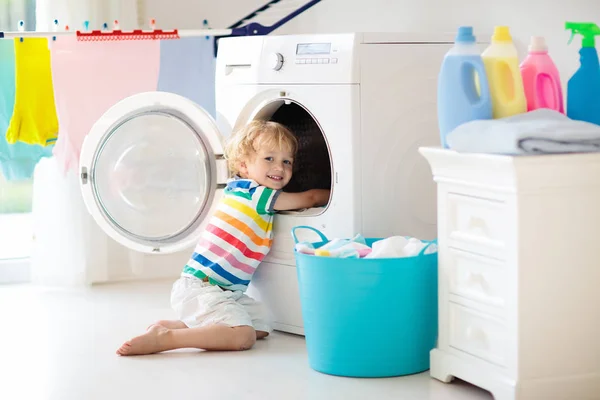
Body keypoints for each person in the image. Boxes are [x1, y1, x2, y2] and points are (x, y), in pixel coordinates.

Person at [117, 120, 330, 356]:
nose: (279, 167)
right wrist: (339, 190)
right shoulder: (258, 195)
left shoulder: (236, 189)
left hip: (224, 291)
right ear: (244, 166)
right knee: (243, 335)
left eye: (286, 161)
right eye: (269, 159)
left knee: (262, 326)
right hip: (202, 288)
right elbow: (309, 199)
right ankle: (167, 339)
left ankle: (172, 326)